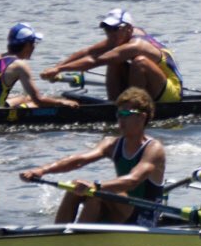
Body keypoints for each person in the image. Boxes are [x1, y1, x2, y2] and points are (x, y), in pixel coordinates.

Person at [20, 88, 168, 226]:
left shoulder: (154, 149)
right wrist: (41, 170)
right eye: (118, 114)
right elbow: (79, 160)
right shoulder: (111, 143)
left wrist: (96, 186)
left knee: (98, 192)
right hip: (121, 209)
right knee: (74, 187)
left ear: (141, 117)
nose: (120, 120)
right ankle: (58, 234)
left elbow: (133, 180)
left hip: (144, 215)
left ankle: (79, 237)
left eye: (126, 114)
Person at [41, 8, 184, 104]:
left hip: (171, 92)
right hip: (155, 86)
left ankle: (132, 105)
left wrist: (60, 70)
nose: (110, 33)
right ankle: (114, 105)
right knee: (115, 61)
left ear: (128, 28)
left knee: (139, 62)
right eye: (107, 29)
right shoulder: (121, 37)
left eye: (115, 29)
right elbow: (88, 52)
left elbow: (95, 60)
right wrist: (56, 67)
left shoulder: (137, 45)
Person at [0, 22, 79, 110]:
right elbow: (38, 100)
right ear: (27, 45)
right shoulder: (19, 65)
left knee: (26, 98)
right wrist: (62, 102)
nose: (34, 47)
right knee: (36, 103)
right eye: (34, 43)